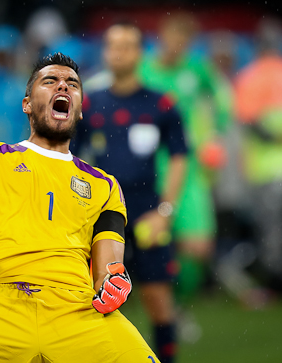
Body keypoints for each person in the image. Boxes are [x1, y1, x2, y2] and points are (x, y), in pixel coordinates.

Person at [0, 53, 160, 363]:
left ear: (80, 110)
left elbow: (108, 267)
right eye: (50, 81)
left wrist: (112, 284)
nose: (63, 88)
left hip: (77, 310)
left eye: (72, 84)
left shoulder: (105, 185)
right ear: (27, 103)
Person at [74, 23, 188, 363]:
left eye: (126, 46)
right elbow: (72, 160)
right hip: (102, 213)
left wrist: (164, 211)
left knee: (157, 299)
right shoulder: (90, 104)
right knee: (95, 298)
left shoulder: (161, 104)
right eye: (111, 46)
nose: (118, 52)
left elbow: (180, 157)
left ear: (140, 53)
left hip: (147, 210)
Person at [137, 13, 232, 310]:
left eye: (184, 40)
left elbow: (223, 99)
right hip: (149, 169)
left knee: (198, 247)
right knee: (149, 242)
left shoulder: (197, 70)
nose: (177, 45)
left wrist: (215, 134)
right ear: (161, 37)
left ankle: (178, 305)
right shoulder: (142, 71)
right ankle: (156, 307)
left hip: (188, 170)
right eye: (173, 37)